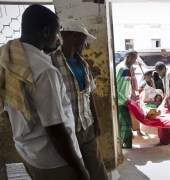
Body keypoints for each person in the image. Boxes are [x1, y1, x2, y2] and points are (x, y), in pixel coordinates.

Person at [0, 5, 89, 180]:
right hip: (54, 160)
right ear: (46, 31)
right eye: (56, 34)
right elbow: (55, 129)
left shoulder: (12, 59)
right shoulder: (43, 70)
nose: (57, 40)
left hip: (28, 150)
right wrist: (79, 168)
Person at [49, 20, 108, 180]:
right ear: (74, 37)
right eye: (84, 39)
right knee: (74, 173)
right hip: (66, 131)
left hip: (87, 126)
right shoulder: (50, 63)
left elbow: (90, 95)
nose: (86, 45)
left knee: (97, 171)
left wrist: (96, 121)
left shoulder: (83, 64)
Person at [116, 49, 142, 148]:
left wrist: (131, 97)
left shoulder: (127, 69)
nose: (135, 60)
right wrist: (124, 100)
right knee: (126, 125)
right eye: (133, 58)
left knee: (127, 125)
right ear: (127, 56)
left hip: (125, 100)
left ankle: (126, 144)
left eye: (136, 58)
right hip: (121, 102)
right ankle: (124, 145)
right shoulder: (122, 68)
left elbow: (126, 84)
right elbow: (115, 88)